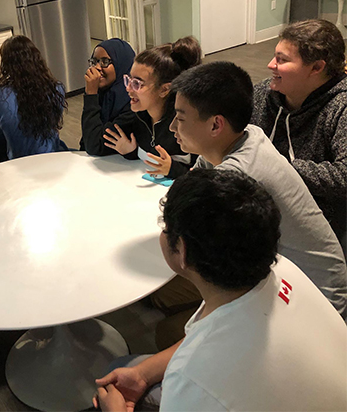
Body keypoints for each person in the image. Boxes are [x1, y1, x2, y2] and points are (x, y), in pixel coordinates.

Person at [94, 169, 347, 412]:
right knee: (133, 366)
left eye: (165, 227)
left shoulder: (193, 377)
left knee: (118, 366)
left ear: (181, 251)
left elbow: (200, 362)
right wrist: (143, 373)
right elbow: (208, 335)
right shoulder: (280, 270)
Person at [169, 61, 347, 317]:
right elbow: (192, 181)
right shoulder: (245, 134)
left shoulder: (236, 177)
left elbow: (189, 233)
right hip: (284, 272)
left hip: (313, 296)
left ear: (215, 125)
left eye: (181, 118)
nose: (173, 127)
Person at [252, 19, 347, 257]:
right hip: (258, 211)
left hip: (313, 227)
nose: (270, 64)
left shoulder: (341, 107)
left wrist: (277, 166)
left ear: (316, 68)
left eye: (282, 60)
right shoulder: (264, 93)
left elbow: (344, 177)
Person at [94, 37, 201, 179]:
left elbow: (208, 177)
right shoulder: (137, 114)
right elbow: (94, 144)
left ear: (164, 90)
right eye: (129, 79)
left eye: (137, 83)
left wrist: (172, 169)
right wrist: (130, 152)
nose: (128, 88)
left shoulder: (188, 126)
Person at [0, 35, 67, 160]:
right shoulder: (56, 88)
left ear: (6, 64)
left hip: (19, 161)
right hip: (53, 156)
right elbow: (55, 121)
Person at [81, 38, 136, 155]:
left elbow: (95, 146)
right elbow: (84, 142)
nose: (97, 67)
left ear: (121, 63)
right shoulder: (103, 94)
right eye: (94, 61)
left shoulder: (132, 102)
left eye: (105, 62)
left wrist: (91, 95)